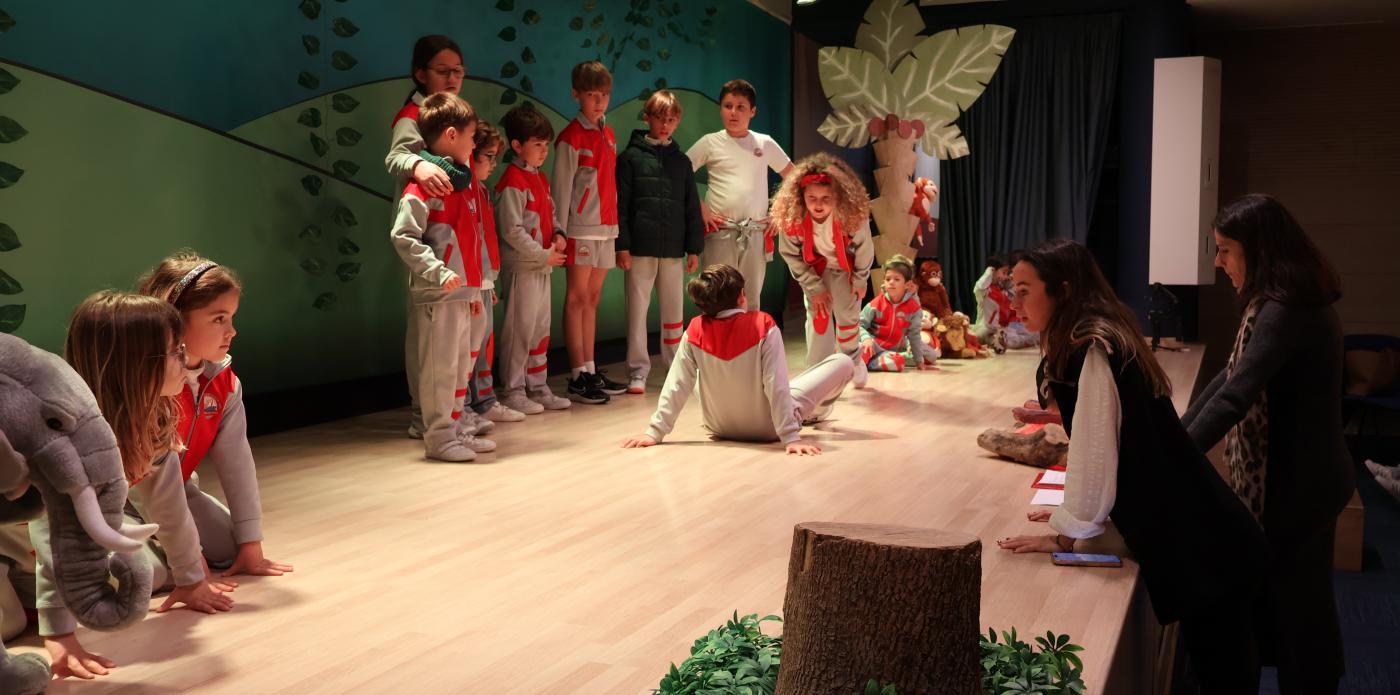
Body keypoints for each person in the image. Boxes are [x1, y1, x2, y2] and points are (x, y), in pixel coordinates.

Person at [996, 239, 1268, 693]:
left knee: (1225, 675)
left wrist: (1068, 530)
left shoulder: (1091, 346)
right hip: (1208, 540)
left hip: (1206, 548)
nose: (1014, 302)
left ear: (1061, 290)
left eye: (1024, 290)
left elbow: (1096, 454)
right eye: (1012, 290)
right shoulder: (1095, 333)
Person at [1183, 193, 1354, 693]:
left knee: (1302, 612)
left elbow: (1236, 394)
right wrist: (1173, 445)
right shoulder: (1277, 301)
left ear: (1260, 250)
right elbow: (1228, 380)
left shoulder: (1283, 309)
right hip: (1305, 479)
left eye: (1226, 250)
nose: (1218, 263)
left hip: (1302, 487)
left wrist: (1169, 459)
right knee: (1293, 606)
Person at [36, 292, 236, 680]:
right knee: (8, 619)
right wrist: (58, 631)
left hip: (79, 532)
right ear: (133, 365)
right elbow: (51, 531)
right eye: (175, 353)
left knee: (152, 575)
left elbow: (168, 504)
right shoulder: (69, 436)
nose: (185, 361)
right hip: (20, 535)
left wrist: (191, 576)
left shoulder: (155, 415)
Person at [138, 253, 292, 577]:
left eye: (232, 317)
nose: (232, 330)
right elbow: (146, 487)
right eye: (219, 318)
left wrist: (251, 543)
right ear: (174, 319)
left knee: (231, 548)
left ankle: (161, 551)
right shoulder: (145, 383)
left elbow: (237, 462)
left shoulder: (225, 384)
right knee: (148, 574)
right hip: (125, 502)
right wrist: (192, 565)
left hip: (178, 492)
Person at [621, 264, 850, 455]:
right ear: (741, 296)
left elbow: (677, 384)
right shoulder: (764, 324)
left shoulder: (694, 329)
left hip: (718, 426)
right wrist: (790, 437)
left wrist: (654, 431)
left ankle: (802, 415)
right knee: (842, 362)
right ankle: (813, 415)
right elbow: (776, 386)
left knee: (697, 371)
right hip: (769, 429)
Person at [388, 92, 494, 462]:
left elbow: (471, 241)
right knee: (440, 371)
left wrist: (476, 289)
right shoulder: (424, 187)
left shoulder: (462, 186)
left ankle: (454, 431)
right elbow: (403, 236)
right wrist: (438, 271)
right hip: (437, 297)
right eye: (470, 137)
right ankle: (438, 437)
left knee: (459, 369)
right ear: (451, 135)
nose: (474, 144)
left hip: (461, 295)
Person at [384, 35, 467, 439]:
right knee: (427, 332)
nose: (452, 78)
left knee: (452, 337)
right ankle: (425, 416)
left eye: (458, 71)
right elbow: (396, 156)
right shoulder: (411, 114)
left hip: (451, 232)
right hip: (424, 235)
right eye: (442, 71)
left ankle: (451, 412)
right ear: (421, 73)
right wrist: (419, 164)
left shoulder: (452, 113)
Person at [616, 90, 704, 394]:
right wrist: (622, 245)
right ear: (647, 117)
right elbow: (621, 205)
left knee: (673, 313)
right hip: (639, 249)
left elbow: (692, 206)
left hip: (672, 251)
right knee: (637, 311)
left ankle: (674, 367)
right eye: (659, 118)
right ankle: (637, 371)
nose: (664, 125)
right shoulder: (629, 158)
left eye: (671, 120)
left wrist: (694, 247)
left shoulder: (681, 162)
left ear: (677, 121)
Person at [686, 79, 794, 312]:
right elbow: (680, 174)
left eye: (740, 106)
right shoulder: (710, 142)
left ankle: (749, 347)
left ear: (752, 111)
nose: (733, 112)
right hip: (720, 231)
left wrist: (778, 211)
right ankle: (716, 348)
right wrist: (700, 207)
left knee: (752, 300)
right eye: (727, 106)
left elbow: (794, 176)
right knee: (716, 297)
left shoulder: (763, 143)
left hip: (754, 232)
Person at [553, 60, 627, 403]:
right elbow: (562, 190)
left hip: (605, 229)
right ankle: (576, 374)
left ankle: (591, 368)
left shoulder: (608, 134)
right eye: (591, 94)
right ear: (576, 95)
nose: (598, 101)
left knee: (592, 300)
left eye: (604, 95)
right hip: (580, 229)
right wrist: (559, 232)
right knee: (577, 298)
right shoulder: (570, 137)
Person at [495, 105, 571, 415]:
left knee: (540, 329)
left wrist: (559, 234)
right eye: (537, 144)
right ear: (517, 145)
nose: (544, 151)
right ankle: (513, 390)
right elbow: (511, 231)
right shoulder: (512, 180)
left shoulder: (538, 177)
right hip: (524, 269)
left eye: (546, 145)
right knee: (519, 331)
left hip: (542, 266)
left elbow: (550, 214)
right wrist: (543, 254)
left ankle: (537, 386)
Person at [772, 153, 874, 385]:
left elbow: (865, 249)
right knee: (819, 318)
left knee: (848, 319)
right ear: (801, 197)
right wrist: (813, 287)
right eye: (812, 198)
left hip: (846, 272)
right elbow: (790, 254)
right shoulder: (793, 219)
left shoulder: (851, 217)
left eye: (826, 198)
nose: (819, 204)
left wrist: (860, 279)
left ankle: (853, 362)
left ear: (838, 197)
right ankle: (819, 371)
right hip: (815, 272)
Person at [858, 254, 938, 372]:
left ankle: (884, 359)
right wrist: (866, 339)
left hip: (898, 347)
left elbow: (914, 334)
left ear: (907, 284)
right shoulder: (876, 304)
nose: (891, 282)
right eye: (888, 279)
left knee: (931, 355)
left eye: (896, 279)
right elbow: (859, 324)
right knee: (862, 348)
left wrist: (919, 360)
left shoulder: (913, 305)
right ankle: (880, 360)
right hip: (876, 345)